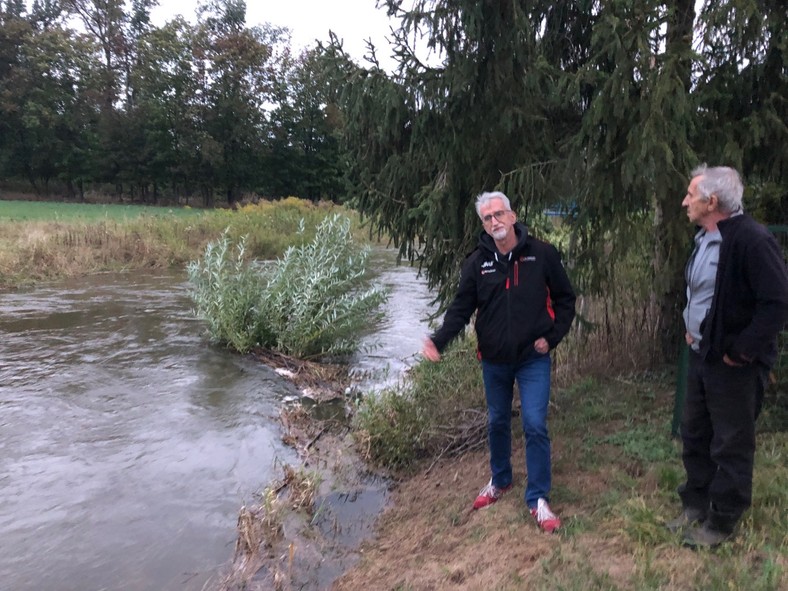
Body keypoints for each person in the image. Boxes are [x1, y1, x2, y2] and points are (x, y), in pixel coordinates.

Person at [422, 191, 576, 533]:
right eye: (488, 218)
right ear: (484, 224)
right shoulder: (477, 262)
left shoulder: (542, 254)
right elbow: (461, 309)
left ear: (512, 215)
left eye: (499, 214)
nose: (495, 221)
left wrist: (551, 338)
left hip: (533, 359)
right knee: (497, 422)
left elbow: (566, 299)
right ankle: (501, 479)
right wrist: (438, 340)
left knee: (535, 423)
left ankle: (538, 498)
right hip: (493, 361)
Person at [668, 165, 788, 547]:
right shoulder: (705, 236)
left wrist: (741, 351)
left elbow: (776, 303)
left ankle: (722, 520)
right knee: (696, 432)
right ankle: (696, 503)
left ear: (712, 201)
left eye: (691, 195)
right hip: (702, 355)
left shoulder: (752, 241)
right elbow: (706, 294)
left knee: (731, 442)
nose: (685, 201)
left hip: (733, 365)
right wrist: (694, 328)